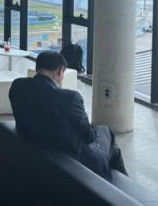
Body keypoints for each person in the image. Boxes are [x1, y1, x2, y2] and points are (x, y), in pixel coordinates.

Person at [9, 51, 127, 181]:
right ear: (60, 71)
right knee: (106, 132)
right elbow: (88, 137)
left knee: (111, 147)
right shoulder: (70, 97)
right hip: (72, 156)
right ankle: (118, 187)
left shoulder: (17, 86)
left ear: (38, 68)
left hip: (36, 144)